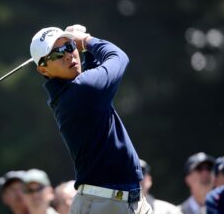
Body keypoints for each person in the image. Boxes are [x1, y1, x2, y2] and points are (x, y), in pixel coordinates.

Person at [30, 24, 151, 214]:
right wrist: (86, 40)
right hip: (104, 204)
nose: (68, 55)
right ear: (43, 70)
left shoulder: (71, 91)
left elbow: (92, 69)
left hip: (129, 200)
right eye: (57, 54)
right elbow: (118, 57)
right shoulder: (82, 90)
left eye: (69, 46)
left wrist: (84, 49)